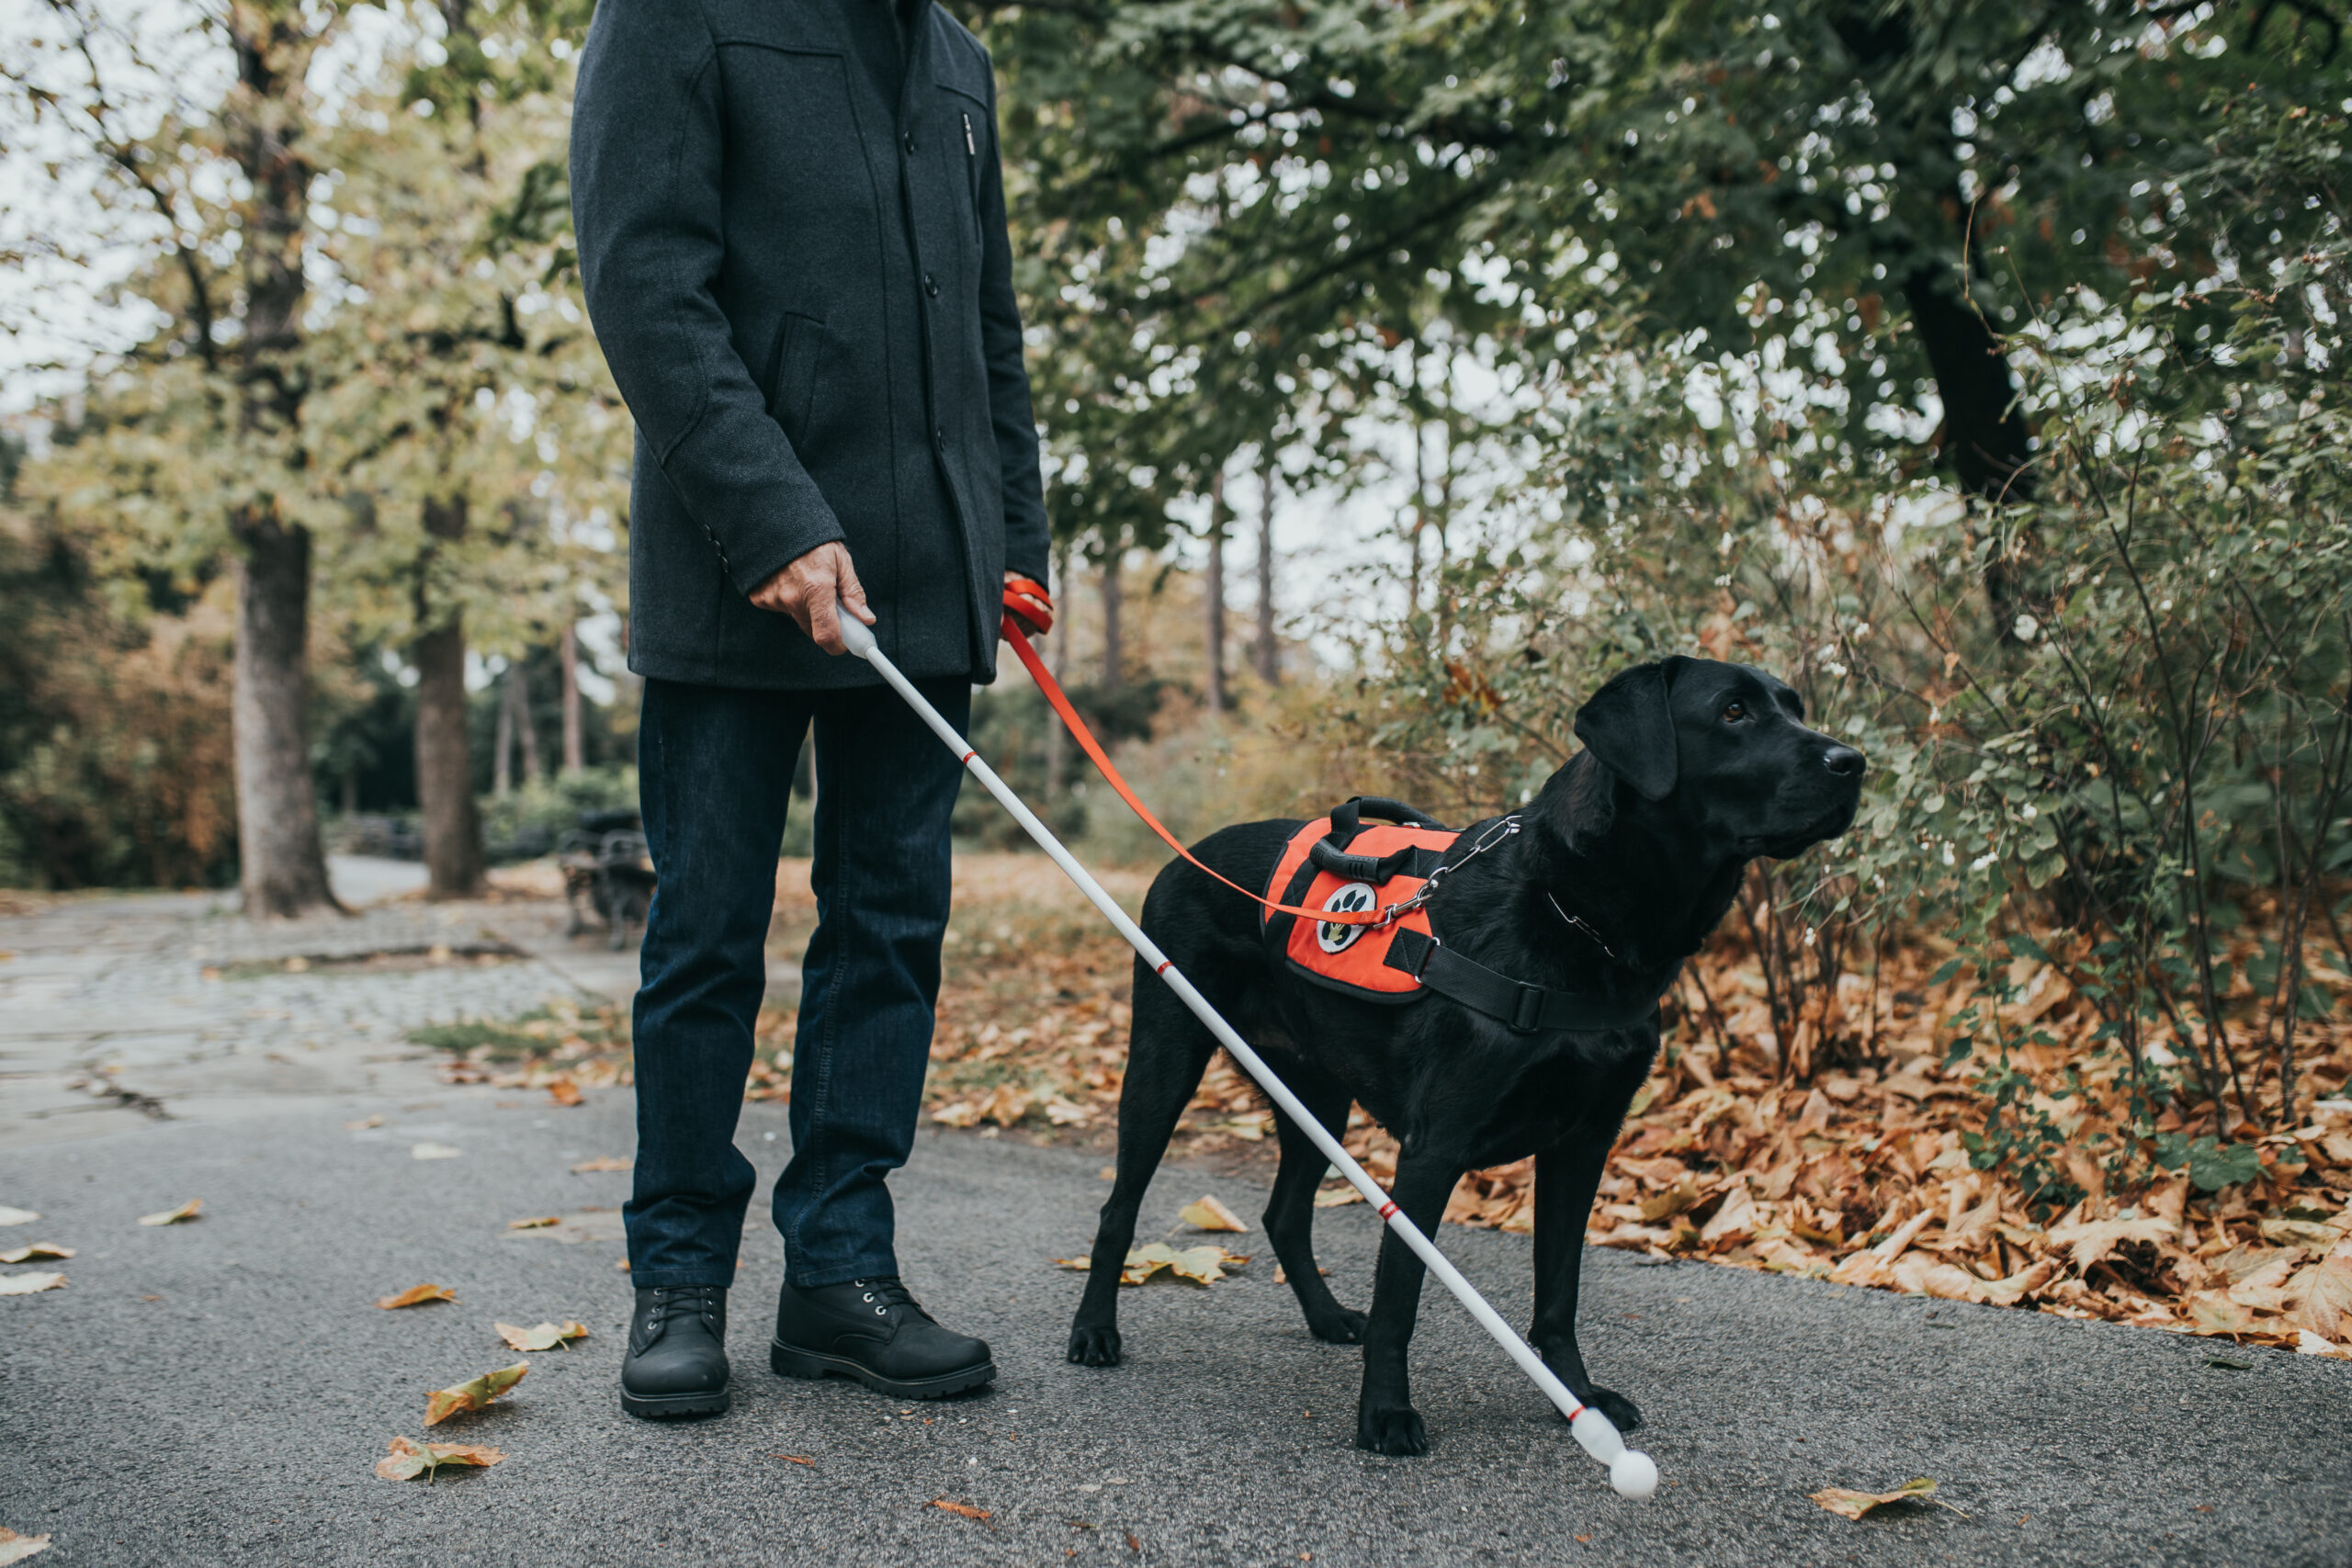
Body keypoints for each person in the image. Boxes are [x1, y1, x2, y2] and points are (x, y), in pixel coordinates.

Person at [570, 0, 1052, 1418]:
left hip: (926, 595)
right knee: (708, 937)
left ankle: (841, 1278)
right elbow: (646, 284)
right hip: (739, 580)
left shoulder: (957, 56)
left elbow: (990, 336)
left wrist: (1009, 550)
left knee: (891, 935)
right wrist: (774, 519)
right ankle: (679, 1283)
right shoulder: (671, 15)